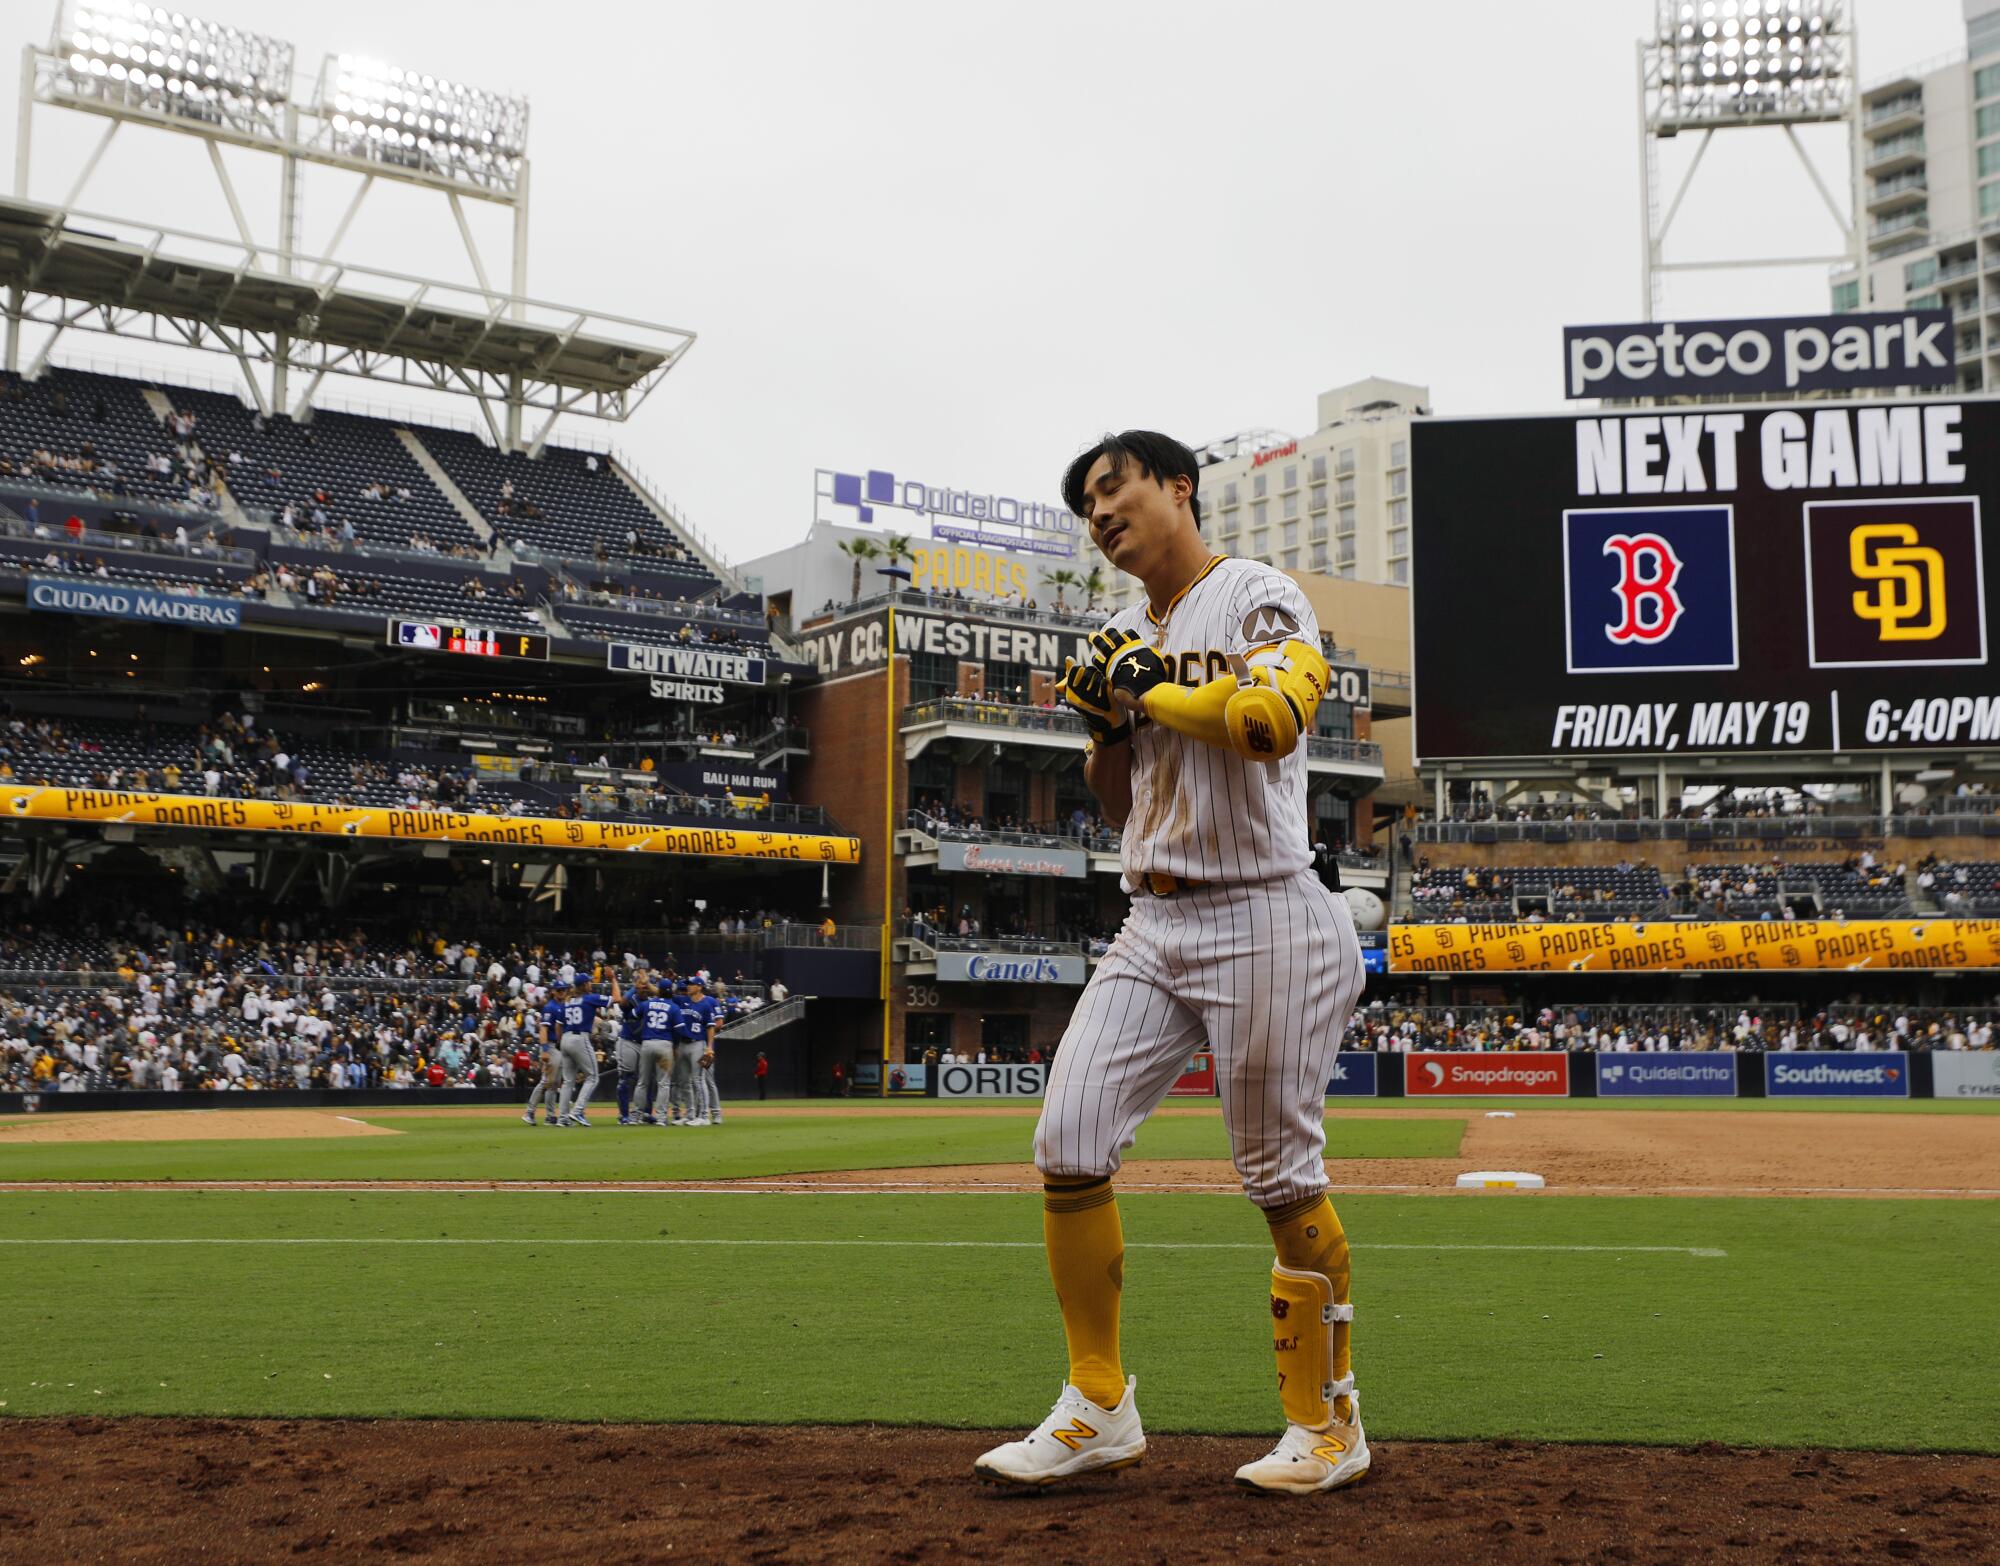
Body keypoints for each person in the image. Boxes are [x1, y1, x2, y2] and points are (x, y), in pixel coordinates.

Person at [974, 430, 1368, 1495]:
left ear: (1177, 488)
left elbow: (1269, 720)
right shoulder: (1110, 633)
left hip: (1266, 912)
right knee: (1067, 1137)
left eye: (1114, 489)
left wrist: (1144, 693)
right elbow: (1118, 803)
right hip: (1152, 916)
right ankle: (1097, 1402)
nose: (1099, 514)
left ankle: (1327, 1426)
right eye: (1085, 506)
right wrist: (1106, 728)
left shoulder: (1254, 594)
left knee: (1278, 1178)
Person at [630, 977, 680, 1126]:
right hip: (665, 1044)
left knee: (642, 1082)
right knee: (663, 1083)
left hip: (647, 1043)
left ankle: (636, 1116)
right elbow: (679, 1031)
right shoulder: (674, 1007)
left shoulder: (647, 1004)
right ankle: (661, 1117)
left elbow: (632, 1015)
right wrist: (675, 1046)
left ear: (659, 990)